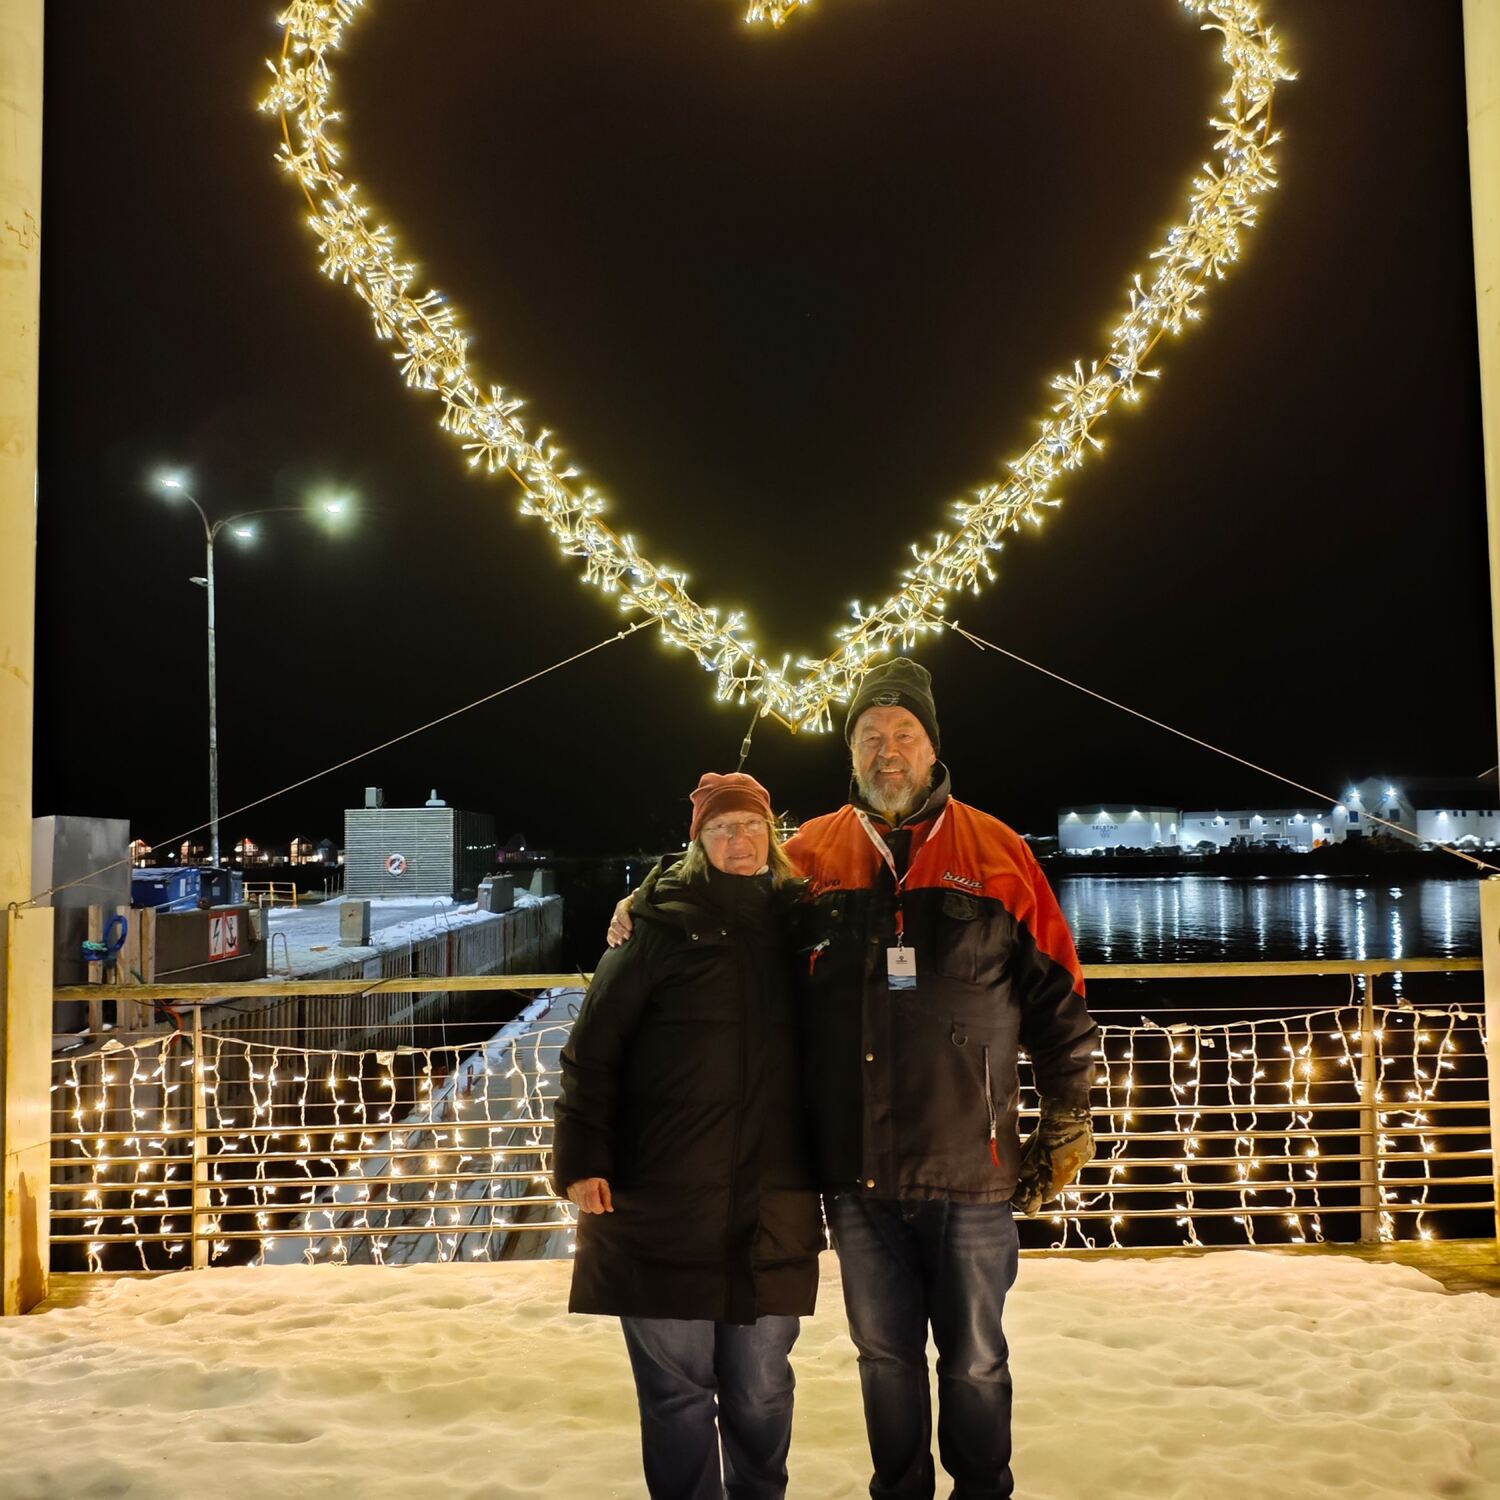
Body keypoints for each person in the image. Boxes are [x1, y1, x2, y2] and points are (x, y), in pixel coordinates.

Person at [610, 659, 1098, 1500]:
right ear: (853, 751)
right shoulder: (812, 854)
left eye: (903, 733)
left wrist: (1068, 1115)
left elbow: (1060, 994)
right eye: (870, 736)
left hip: (971, 1163)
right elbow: (723, 892)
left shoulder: (998, 850)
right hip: (856, 1170)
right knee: (885, 1357)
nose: (887, 751)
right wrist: (648, 897)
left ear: (932, 745)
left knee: (978, 1360)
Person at [553, 771, 823, 1500]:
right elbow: (591, 1050)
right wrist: (582, 1160)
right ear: (698, 843)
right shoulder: (658, 929)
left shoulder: (807, 927)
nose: (740, 840)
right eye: (722, 829)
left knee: (763, 1393)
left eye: (753, 826)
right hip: (662, 1203)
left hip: (775, 1201)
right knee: (676, 1398)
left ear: (774, 836)